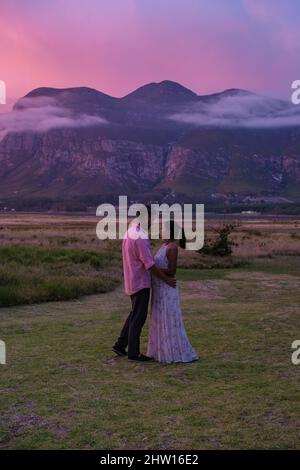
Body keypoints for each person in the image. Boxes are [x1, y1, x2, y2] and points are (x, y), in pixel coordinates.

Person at [113, 208, 176, 362]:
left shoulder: (130, 232)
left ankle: (120, 344)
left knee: (135, 313)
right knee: (139, 317)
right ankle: (133, 353)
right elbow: (149, 264)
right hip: (140, 281)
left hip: (131, 278)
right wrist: (166, 279)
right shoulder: (140, 237)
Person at [147, 220, 198, 364]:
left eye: (163, 229)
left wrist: (152, 268)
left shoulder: (172, 247)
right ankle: (160, 350)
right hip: (159, 289)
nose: (161, 231)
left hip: (166, 289)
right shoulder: (164, 245)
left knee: (169, 318)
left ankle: (173, 351)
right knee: (159, 317)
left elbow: (172, 270)